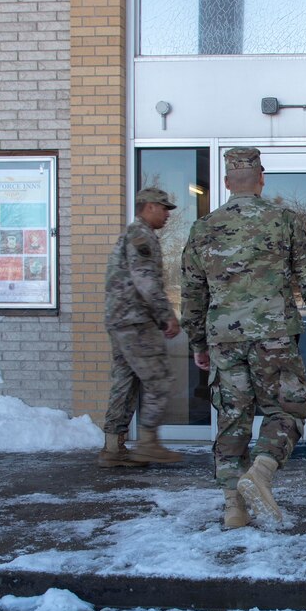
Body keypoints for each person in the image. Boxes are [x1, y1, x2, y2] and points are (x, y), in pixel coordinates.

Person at [181, 147, 306, 529]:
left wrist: (198, 344)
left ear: (227, 182)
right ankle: (262, 470)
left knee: (233, 419)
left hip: (224, 339)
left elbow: (192, 294)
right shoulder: (285, 221)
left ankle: (234, 506)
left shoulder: (203, 227)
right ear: (261, 178)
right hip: (275, 336)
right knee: (288, 410)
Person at [99, 186, 184, 468]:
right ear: (148, 207)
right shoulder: (141, 236)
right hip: (135, 322)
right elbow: (145, 280)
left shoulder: (133, 234)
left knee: (126, 381)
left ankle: (113, 448)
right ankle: (148, 443)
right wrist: (166, 315)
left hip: (121, 320)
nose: (167, 215)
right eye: (164, 208)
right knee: (159, 378)